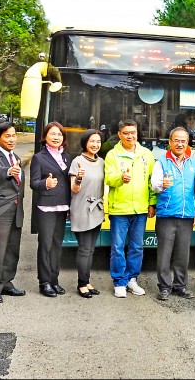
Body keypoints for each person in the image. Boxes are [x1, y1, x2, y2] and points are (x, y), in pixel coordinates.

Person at [104, 119, 156, 298]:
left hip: (140, 209)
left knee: (137, 247)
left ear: (137, 133)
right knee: (117, 247)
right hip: (119, 209)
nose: (130, 136)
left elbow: (151, 181)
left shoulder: (146, 154)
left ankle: (132, 279)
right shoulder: (112, 154)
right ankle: (119, 281)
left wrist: (151, 203)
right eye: (126, 133)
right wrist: (121, 178)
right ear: (119, 134)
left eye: (133, 133)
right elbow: (109, 178)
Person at [151, 126, 195, 300]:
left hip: (186, 215)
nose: (180, 144)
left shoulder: (193, 163)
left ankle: (180, 286)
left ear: (187, 143)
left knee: (183, 253)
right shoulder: (161, 162)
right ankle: (164, 286)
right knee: (164, 253)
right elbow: (154, 185)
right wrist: (161, 185)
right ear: (170, 142)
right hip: (167, 214)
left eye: (183, 141)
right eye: (176, 140)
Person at [0, 122, 26, 303]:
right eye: (7, 136)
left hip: (16, 209)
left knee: (11, 249)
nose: (11, 139)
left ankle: (7, 283)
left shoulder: (15, 156)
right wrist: (9, 170)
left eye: (14, 135)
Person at [30, 122, 71, 298]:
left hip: (63, 206)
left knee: (57, 245)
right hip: (45, 206)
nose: (56, 137)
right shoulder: (39, 157)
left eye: (60, 134)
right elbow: (33, 183)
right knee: (45, 245)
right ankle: (44, 282)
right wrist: (45, 184)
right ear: (45, 136)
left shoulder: (67, 157)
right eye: (53, 134)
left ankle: (54, 280)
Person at [69, 129, 105, 299]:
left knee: (91, 249)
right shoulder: (77, 162)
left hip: (97, 209)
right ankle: (81, 284)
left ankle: (87, 280)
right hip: (82, 208)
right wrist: (79, 179)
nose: (95, 144)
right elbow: (74, 189)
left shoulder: (102, 162)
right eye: (92, 141)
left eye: (98, 141)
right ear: (85, 142)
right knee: (84, 248)